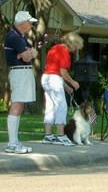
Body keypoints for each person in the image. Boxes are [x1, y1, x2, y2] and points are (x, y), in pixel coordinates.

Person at [3, 11, 38, 154]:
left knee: (20, 106)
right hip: (19, 71)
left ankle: (15, 141)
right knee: (16, 105)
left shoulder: (21, 37)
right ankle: (12, 143)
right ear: (23, 23)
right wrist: (27, 54)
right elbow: (26, 57)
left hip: (24, 71)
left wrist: (28, 53)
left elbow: (33, 53)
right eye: (30, 23)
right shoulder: (13, 36)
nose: (31, 25)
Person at [41, 32, 84, 146]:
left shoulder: (54, 48)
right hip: (55, 79)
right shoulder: (64, 52)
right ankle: (61, 135)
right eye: (76, 46)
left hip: (46, 78)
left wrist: (65, 86)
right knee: (61, 107)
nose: (75, 50)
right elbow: (62, 72)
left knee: (50, 107)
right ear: (73, 44)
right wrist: (73, 82)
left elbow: (53, 68)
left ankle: (48, 135)